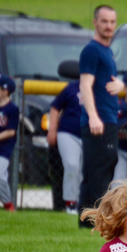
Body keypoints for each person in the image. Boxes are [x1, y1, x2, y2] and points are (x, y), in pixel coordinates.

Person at [78, 4, 123, 227]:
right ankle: (100, 221)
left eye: (112, 22)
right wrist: (93, 116)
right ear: (95, 22)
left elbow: (106, 82)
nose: (109, 26)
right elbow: (85, 85)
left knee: (95, 170)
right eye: (104, 21)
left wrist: (121, 85)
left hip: (107, 118)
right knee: (101, 170)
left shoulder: (107, 51)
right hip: (100, 120)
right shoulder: (92, 50)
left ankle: (86, 222)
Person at [47, 80, 83, 214]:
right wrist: (52, 129)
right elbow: (55, 107)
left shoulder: (101, 87)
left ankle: (82, 202)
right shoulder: (72, 87)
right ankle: (70, 203)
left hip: (91, 135)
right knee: (72, 165)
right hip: (68, 132)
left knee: (86, 170)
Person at [0, 74, 19, 212]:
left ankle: (7, 203)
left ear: (5, 91)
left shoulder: (12, 109)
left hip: (4, 147)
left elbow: (11, 132)